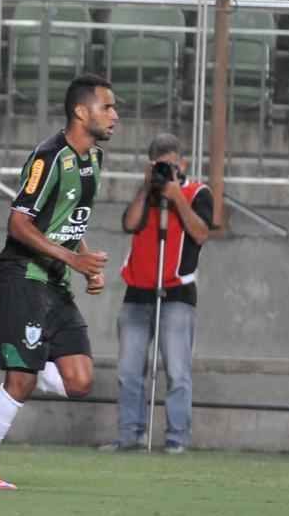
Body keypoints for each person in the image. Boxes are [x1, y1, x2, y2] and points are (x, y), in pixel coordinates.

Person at [0, 73, 118, 490]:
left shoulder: (94, 159)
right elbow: (18, 224)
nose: (115, 116)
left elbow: (70, 221)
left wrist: (85, 261)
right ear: (80, 111)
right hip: (22, 276)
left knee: (80, 381)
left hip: (55, 280)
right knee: (23, 378)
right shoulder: (48, 157)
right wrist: (73, 259)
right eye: (106, 107)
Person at [101, 133, 212, 454]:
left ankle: (177, 438)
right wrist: (145, 187)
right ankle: (129, 436)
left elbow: (202, 233)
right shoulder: (146, 194)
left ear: (183, 163)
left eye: (172, 164)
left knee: (177, 371)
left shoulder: (197, 192)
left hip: (177, 292)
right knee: (128, 370)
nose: (168, 171)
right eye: (161, 166)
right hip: (138, 292)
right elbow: (130, 224)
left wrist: (176, 196)